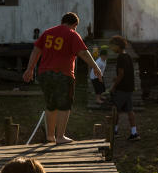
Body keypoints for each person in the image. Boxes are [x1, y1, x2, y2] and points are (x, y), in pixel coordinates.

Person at [23, 12, 102, 143]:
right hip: (63, 74)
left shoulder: (48, 32)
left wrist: (30, 69)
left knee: (51, 105)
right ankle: (60, 136)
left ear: (62, 21)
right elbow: (83, 53)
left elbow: (36, 50)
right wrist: (95, 67)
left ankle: (50, 136)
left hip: (45, 74)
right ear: (74, 24)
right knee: (64, 105)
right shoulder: (72, 34)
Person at [106, 35, 139, 141]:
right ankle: (134, 133)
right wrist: (117, 78)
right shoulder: (127, 56)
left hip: (122, 88)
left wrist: (113, 86)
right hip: (129, 87)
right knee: (130, 110)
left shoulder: (120, 57)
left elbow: (121, 74)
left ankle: (114, 131)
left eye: (112, 46)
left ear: (117, 46)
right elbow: (126, 72)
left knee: (115, 109)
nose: (111, 48)